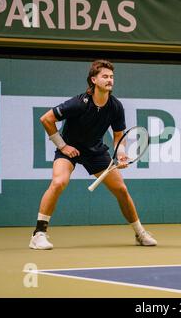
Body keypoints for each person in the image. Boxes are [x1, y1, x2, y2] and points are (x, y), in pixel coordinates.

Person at [29, 59, 157, 250]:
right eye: (105, 76)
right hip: (70, 149)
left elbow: (118, 136)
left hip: (95, 151)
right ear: (93, 80)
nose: (110, 80)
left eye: (112, 77)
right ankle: (38, 234)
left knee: (121, 190)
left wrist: (121, 154)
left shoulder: (115, 106)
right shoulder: (78, 103)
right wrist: (62, 146)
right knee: (58, 182)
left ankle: (140, 233)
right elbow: (46, 119)